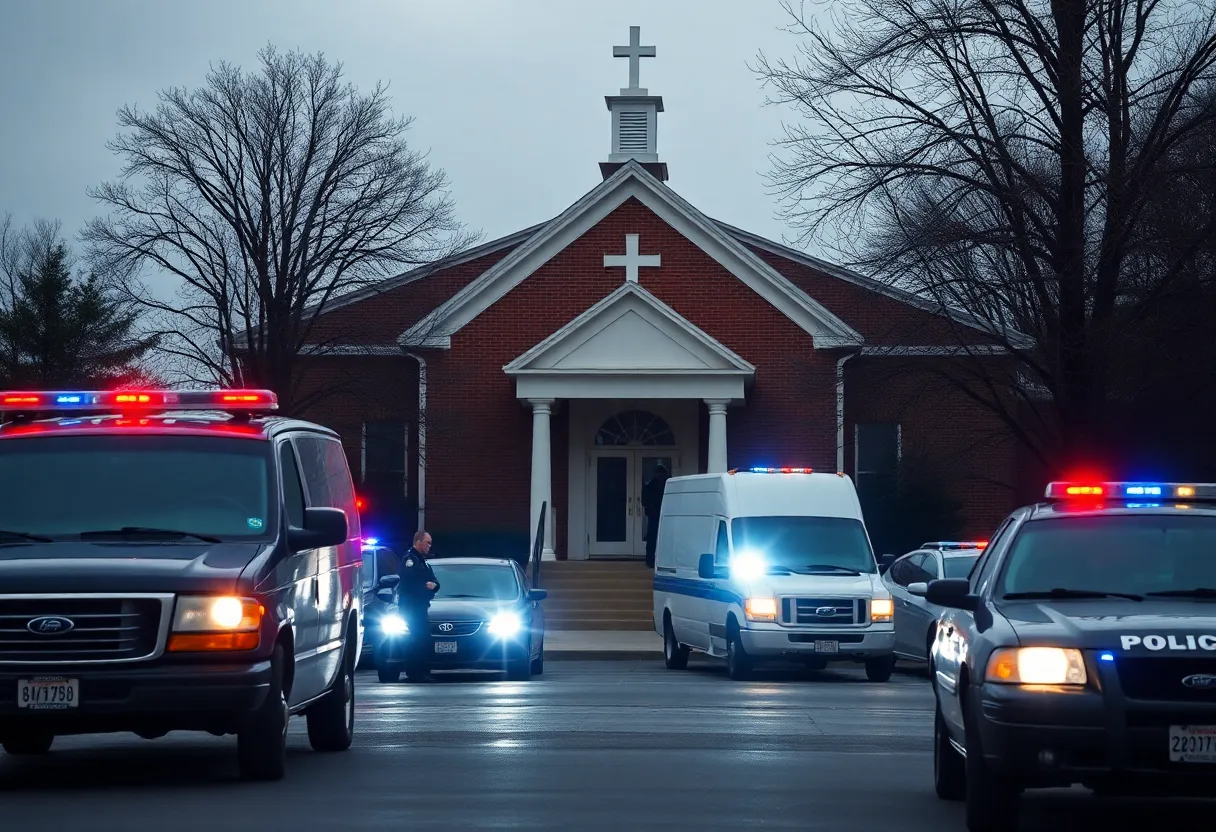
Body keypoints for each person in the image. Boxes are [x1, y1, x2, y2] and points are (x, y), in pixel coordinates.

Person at [396, 530, 440, 681]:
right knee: (417, 640)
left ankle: (422, 671)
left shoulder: (423, 562)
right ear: (418, 541)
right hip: (412, 608)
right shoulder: (410, 560)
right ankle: (416, 672)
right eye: (427, 542)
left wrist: (433, 585)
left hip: (421, 607)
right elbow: (410, 584)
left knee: (423, 639)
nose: (429, 546)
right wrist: (425, 587)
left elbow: (435, 582)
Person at [641, 464, 670, 568]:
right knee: (654, 537)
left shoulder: (666, 485)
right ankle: (652, 560)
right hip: (657, 515)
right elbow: (645, 500)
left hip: (662, 515)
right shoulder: (655, 486)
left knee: (658, 538)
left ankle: (656, 560)